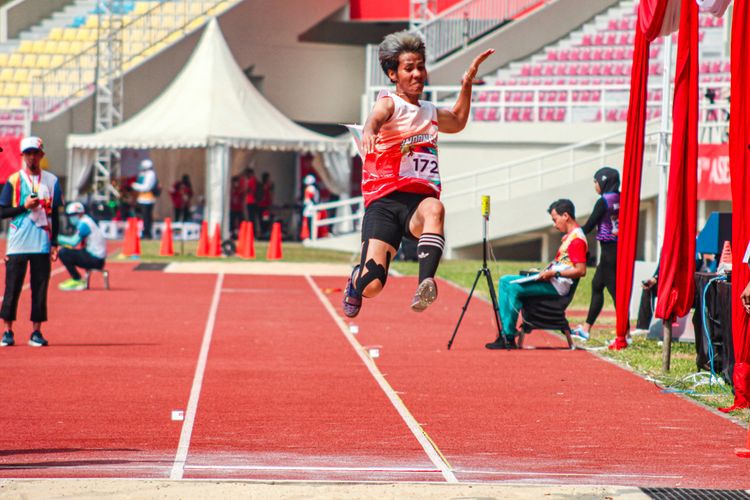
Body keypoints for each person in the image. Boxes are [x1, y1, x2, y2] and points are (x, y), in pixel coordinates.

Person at [341, 30, 494, 318]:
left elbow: (459, 121)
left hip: (417, 204)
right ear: (393, 74)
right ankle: (355, 279)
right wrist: (371, 131)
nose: (417, 74)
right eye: (408, 68)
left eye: (420, 66)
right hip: (384, 203)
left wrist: (467, 83)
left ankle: (425, 282)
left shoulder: (430, 111)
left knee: (436, 208)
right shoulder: (389, 103)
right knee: (372, 285)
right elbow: (375, 118)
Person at [486, 199, 588, 348]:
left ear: (565, 215)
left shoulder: (577, 240)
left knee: (514, 288)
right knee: (504, 280)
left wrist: (553, 273)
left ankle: (508, 336)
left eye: (555, 219)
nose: (554, 224)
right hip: (551, 280)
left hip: (556, 286)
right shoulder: (570, 237)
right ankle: (505, 332)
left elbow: (581, 271)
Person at [0, 136, 62, 347]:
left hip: (42, 243)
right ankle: (7, 331)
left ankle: (36, 331)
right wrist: (24, 206)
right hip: (18, 243)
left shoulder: (52, 181)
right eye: (28, 153)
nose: (32, 157)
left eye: (35, 153)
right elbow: (2, 212)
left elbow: (57, 214)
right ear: (22, 156)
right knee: (12, 287)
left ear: (41, 155)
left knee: (40, 287)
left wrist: (55, 243)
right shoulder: (14, 180)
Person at [571, 167, 620, 341]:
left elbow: (590, 225)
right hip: (618, 249)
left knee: (615, 292)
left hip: (608, 250)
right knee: (597, 285)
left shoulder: (603, 202)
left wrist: (573, 235)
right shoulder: (621, 198)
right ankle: (586, 329)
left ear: (603, 181)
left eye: (595, 181)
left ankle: (624, 333)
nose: (594, 185)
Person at [57, 201, 107, 291]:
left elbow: (73, 242)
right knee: (67, 251)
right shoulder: (87, 221)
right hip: (94, 255)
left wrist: (56, 238)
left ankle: (77, 279)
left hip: (95, 259)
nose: (71, 217)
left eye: (73, 215)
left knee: (63, 252)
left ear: (80, 214)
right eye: (70, 215)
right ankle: (77, 279)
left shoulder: (84, 223)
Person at [131, 159, 158, 239]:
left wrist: (135, 186)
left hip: (147, 199)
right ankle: (141, 231)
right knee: (140, 216)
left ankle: (147, 233)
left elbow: (146, 187)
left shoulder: (151, 174)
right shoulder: (144, 173)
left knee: (147, 217)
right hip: (141, 198)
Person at [302, 174, 320, 238]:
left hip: (310, 208)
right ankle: (311, 236)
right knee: (310, 223)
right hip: (311, 207)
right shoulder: (314, 188)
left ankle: (310, 236)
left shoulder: (310, 188)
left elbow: (310, 198)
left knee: (309, 223)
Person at [243, 166, 259, 235]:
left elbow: (249, 190)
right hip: (251, 200)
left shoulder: (252, 180)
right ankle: (252, 231)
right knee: (252, 217)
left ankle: (252, 232)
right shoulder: (254, 180)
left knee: (251, 217)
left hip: (251, 201)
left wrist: (246, 188)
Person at [258, 172, 275, 237]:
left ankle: (265, 231)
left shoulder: (270, 185)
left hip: (266, 206)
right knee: (262, 220)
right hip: (262, 205)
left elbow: (271, 194)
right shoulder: (261, 185)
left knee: (266, 219)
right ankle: (263, 232)